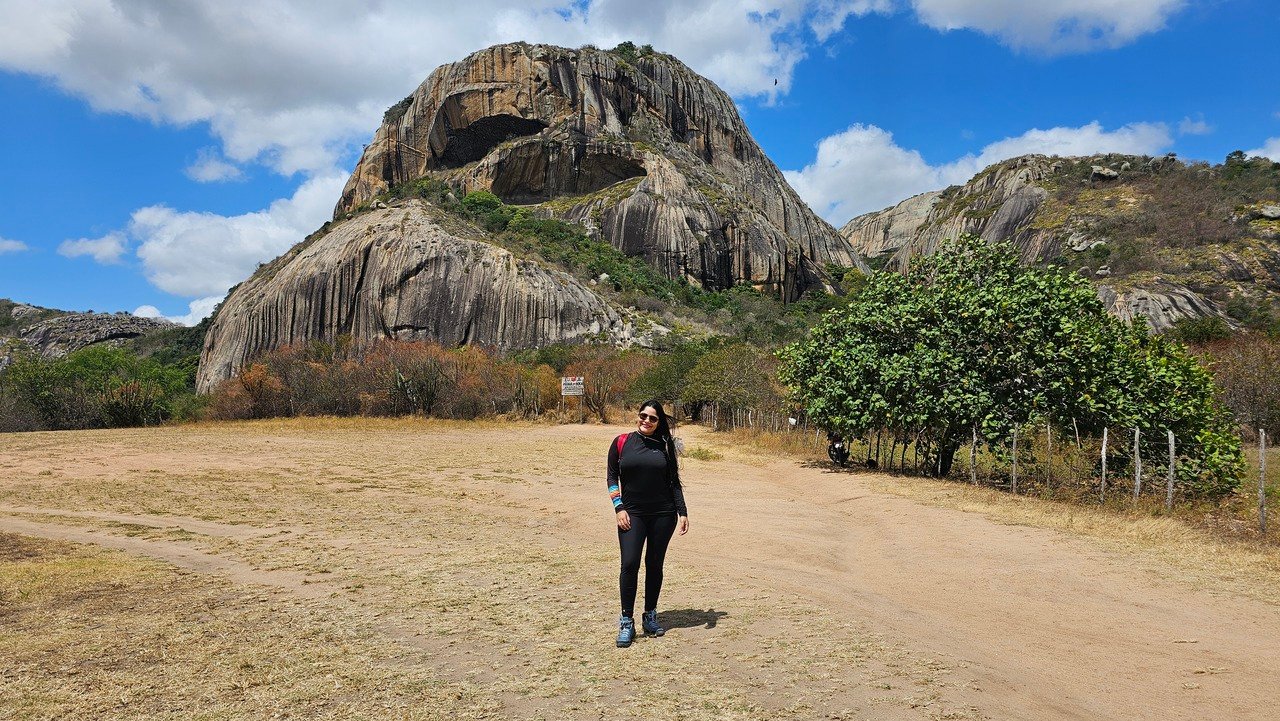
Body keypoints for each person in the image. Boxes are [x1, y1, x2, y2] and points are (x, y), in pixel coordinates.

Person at [606, 399, 689, 647]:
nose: (647, 421)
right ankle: (626, 621)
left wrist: (682, 511)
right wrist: (618, 507)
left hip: (664, 514)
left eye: (653, 418)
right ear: (637, 416)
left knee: (654, 564)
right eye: (643, 415)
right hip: (632, 513)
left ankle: (650, 615)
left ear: (658, 422)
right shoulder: (621, 442)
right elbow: (612, 477)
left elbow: (674, 481)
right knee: (629, 563)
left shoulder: (665, 447)